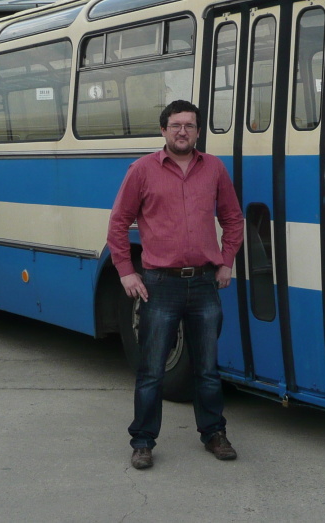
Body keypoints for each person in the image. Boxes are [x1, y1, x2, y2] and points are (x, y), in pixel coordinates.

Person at [107, 99, 244, 470]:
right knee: (152, 371)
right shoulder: (142, 170)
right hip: (159, 285)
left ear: (198, 131)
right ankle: (143, 442)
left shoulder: (214, 168)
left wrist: (226, 261)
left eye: (190, 125)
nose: (183, 131)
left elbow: (233, 219)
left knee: (207, 369)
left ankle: (214, 433)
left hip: (204, 284)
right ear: (163, 130)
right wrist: (126, 271)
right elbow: (118, 223)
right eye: (176, 125)